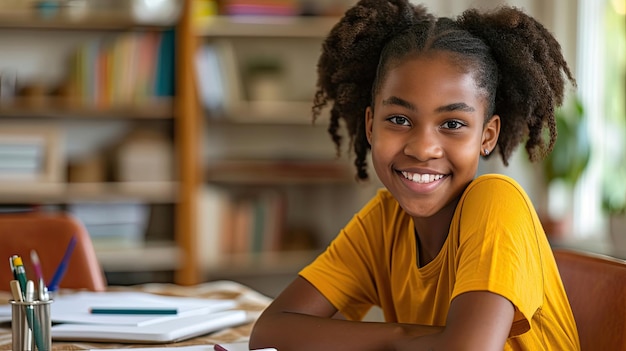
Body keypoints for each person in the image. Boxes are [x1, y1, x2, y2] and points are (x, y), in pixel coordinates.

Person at [249, 0, 579, 350]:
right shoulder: (383, 223)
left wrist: (433, 341)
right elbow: (269, 331)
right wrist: (402, 336)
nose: (423, 149)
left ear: (487, 136)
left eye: (452, 124)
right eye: (399, 120)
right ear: (371, 126)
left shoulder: (498, 202)